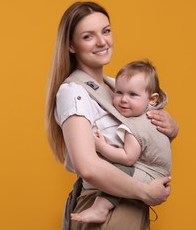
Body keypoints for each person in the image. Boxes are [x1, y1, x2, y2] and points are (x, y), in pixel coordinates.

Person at [45, 1, 179, 230]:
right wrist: (145, 191)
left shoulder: (116, 87)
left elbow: (141, 138)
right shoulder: (74, 92)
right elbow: (88, 167)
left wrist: (172, 128)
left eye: (106, 31)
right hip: (106, 203)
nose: (102, 42)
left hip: (131, 204)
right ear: (71, 45)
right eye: (88, 36)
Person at [70, 60, 172, 224]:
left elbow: (128, 158)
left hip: (152, 175)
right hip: (159, 172)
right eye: (119, 92)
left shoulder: (136, 126)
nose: (124, 99)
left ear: (152, 99)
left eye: (132, 95)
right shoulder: (154, 112)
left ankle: (100, 209)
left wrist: (101, 146)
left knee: (120, 170)